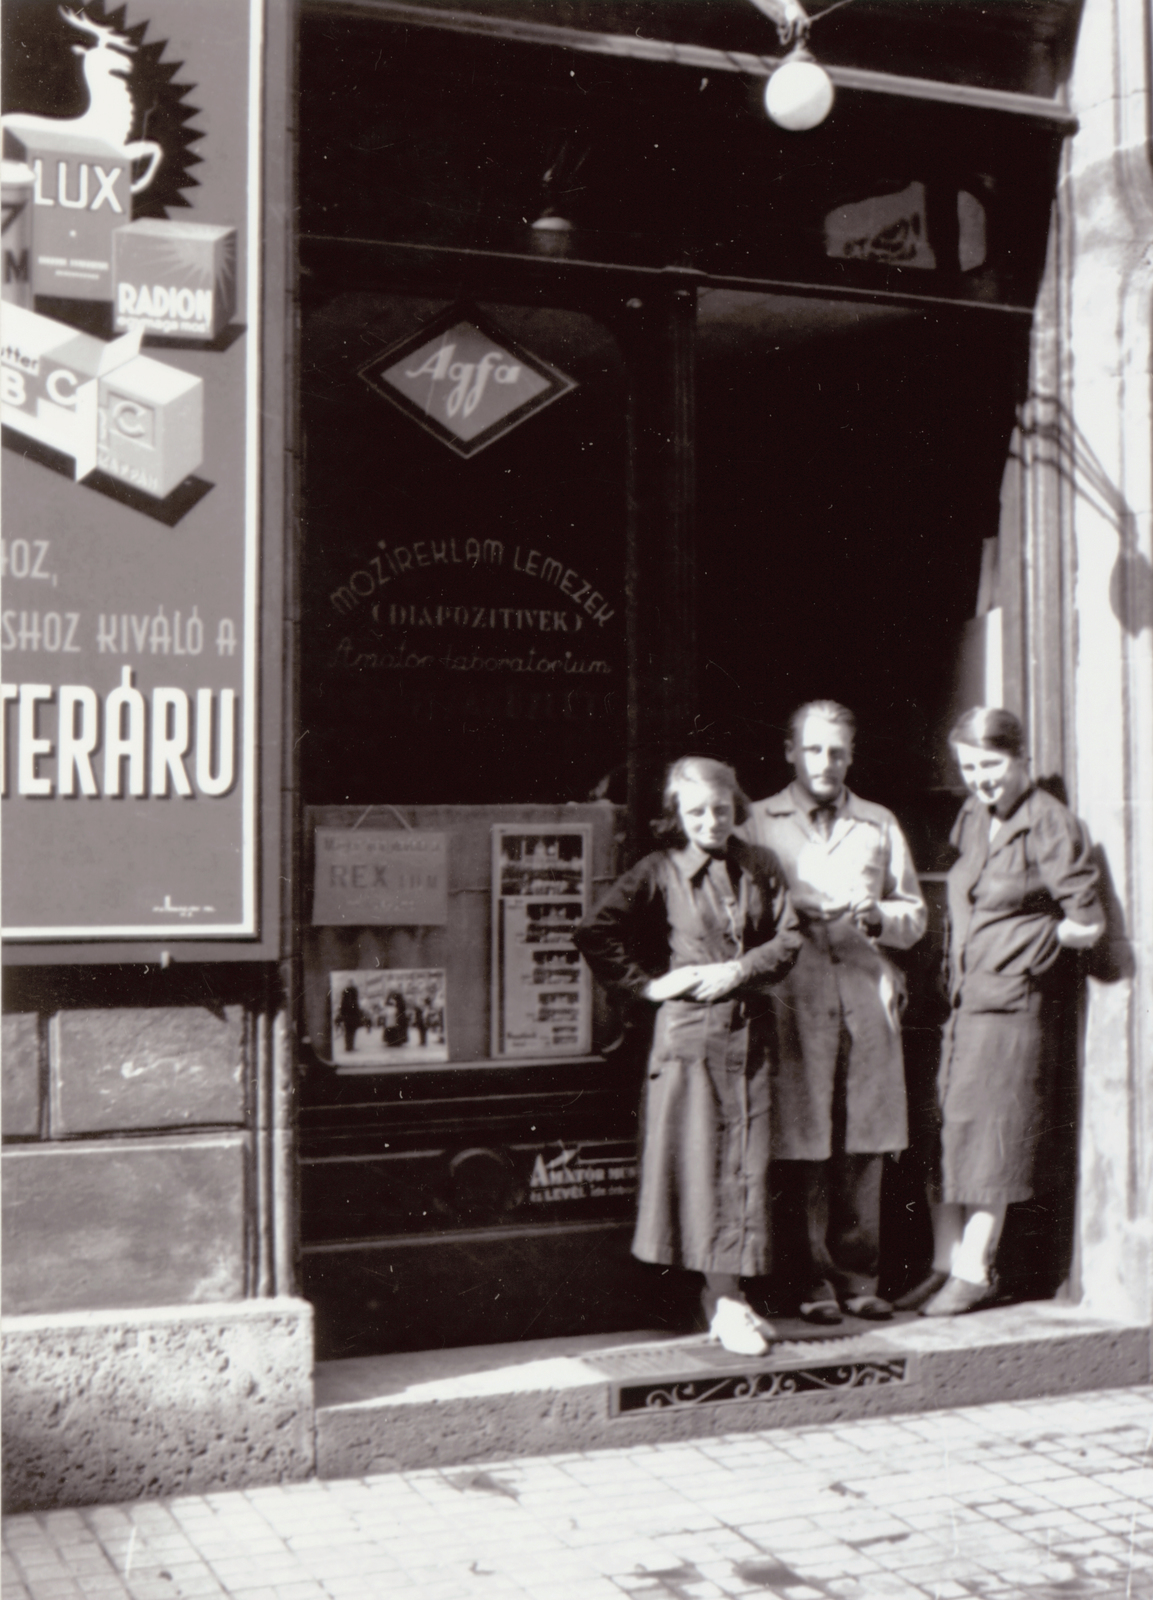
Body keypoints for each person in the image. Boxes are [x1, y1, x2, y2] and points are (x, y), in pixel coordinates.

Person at [574, 756, 802, 1356]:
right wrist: (650, 986)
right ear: (676, 814)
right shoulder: (660, 870)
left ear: (737, 808)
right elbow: (595, 932)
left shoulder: (761, 865)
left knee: (743, 1169)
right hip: (692, 1042)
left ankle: (728, 1299)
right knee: (706, 1172)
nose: (711, 821)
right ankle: (726, 1303)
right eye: (696, 810)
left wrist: (738, 970)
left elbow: (789, 936)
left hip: (749, 1036)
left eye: (721, 809)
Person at [898, 707, 1104, 1316]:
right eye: (969, 767)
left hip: (1012, 1007)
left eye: (991, 765)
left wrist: (1030, 949)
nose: (981, 779)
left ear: (1020, 760)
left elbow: (1087, 925)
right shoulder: (973, 816)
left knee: (992, 1135)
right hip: (964, 1002)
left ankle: (975, 1266)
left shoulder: (1050, 824)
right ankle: (942, 1263)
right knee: (947, 1129)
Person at [743, 701, 926, 1324]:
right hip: (795, 992)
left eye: (839, 751)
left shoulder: (877, 824)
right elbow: (741, 914)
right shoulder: (757, 822)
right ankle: (812, 1282)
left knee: (865, 1139)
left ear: (852, 755)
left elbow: (914, 913)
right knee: (804, 1139)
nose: (827, 762)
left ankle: (859, 1277)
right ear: (790, 751)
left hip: (864, 991)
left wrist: (880, 918)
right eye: (815, 749)